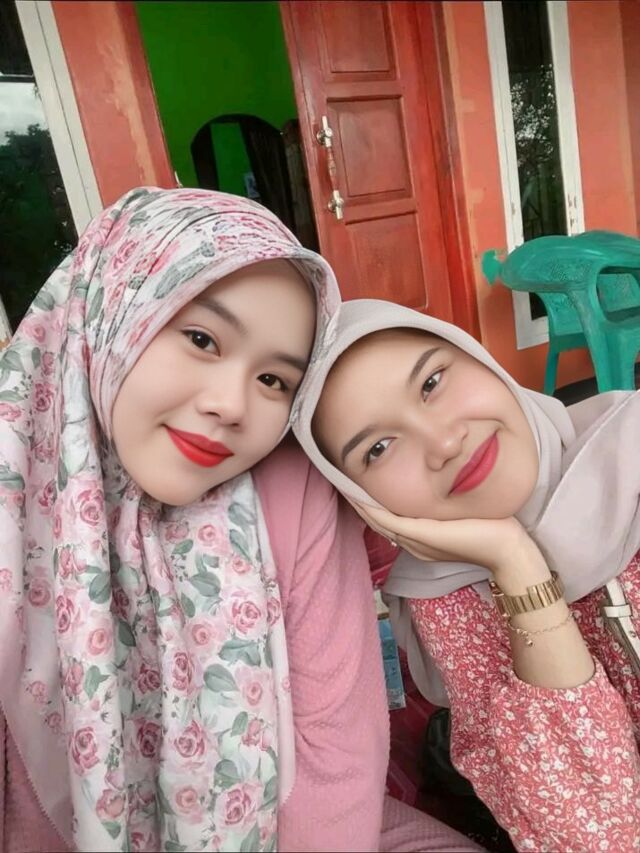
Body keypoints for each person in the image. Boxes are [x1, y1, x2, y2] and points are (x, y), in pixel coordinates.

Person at [0, 189, 480, 853]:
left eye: (275, 380)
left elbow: (335, 749)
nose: (232, 405)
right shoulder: (15, 502)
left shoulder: (289, 489)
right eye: (202, 339)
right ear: (109, 316)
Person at [293, 297, 640, 852]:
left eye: (432, 383)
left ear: (482, 361)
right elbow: (593, 838)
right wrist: (516, 564)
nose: (444, 443)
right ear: (363, 500)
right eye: (379, 448)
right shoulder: (446, 602)